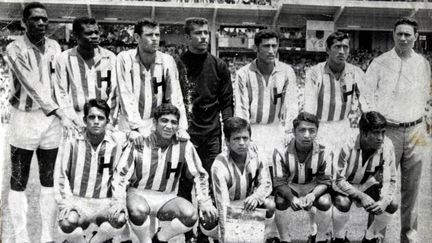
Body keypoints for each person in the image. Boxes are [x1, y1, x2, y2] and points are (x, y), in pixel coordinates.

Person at [4, 2, 76, 242]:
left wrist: (65, 112)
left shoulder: (55, 46)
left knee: (49, 180)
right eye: (35, 19)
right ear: (24, 22)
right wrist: (60, 112)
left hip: (52, 122)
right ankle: (21, 237)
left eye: (45, 19)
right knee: (19, 180)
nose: (42, 23)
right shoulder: (15, 48)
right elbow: (32, 85)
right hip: (24, 120)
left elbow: (60, 84)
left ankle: (47, 236)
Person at [360, 17, 432, 243]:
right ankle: (375, 237)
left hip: (416, 130)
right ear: (393, 35)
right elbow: (366, 95)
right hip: (387, 130)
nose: (403, 38)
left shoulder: (423, 63)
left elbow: (425, 97)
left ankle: (409, 237)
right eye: (399, 34)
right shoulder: (379, 62)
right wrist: (375, 126)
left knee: (412, 190)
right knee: (381, 186)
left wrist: (425, 119)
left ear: (415, 37)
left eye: (407, 34)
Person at [111, 103, 218, 243]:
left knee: (190, 215)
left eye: (174, 122)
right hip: (139, 193)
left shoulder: (184, 145)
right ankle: (146, 241)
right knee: (137, 211)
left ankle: (160, 239)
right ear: (155, 122)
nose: (169, 126)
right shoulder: (140, 142)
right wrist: (118, 201)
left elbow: (200, 175)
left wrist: (205, 202)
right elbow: (121, 175)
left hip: (166, 197)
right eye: (164, 121)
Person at [176, 17, 234, 242]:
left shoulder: (219, 65)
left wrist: (228, 130)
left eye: (206, 33)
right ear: (187, 37)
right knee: (185, 184)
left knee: (210, 185)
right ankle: (187, 234)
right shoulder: (177, 64)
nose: (203, 37)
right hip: (185, 134)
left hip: (211, 134)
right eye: (198, 33)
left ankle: (206, 233)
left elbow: (227, 101)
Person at [54, 99, 127, 243]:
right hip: (78, 200)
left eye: (101, 118)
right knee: (67, 222)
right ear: (84, 120)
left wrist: (119, 202)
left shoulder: (118, 140)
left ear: (107, 121)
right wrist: (67, 203)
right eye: (91, 117)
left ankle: (96, 240)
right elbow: (60, 174)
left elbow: (123, 176)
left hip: (104, 202)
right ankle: (78, 240)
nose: (96, 121)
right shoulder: (72, 139)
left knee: (120, 219)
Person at [201, 117, 275, 241]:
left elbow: (266, 184)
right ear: (227, 141)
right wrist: (226, 238)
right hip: (226, 207)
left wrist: (256, 197)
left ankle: (257, 235)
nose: (242, 143)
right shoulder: (219, 165)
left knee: (270, 204)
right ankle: (220, 238)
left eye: (245, 138)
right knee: (209, 217)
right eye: (236, 138)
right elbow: (222, 205)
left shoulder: (258, 154)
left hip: (248, 204)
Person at [116, 18, 188, 144]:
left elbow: (175, 96)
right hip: (130, 126)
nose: (155, 39)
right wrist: (136, 128)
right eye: (149, 35)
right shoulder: (124, 59)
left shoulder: (167, 60)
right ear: (137, 38)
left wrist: (181, 127)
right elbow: (125, 95)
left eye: (157, 35)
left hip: (155, 126)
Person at [332, 111, 398, 243]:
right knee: (342, 203)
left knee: (392, 204)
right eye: (375, 133)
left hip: (368, 184)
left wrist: (384, 200)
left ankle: (370, 237)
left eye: (383, 132)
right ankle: (339, 238)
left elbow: (390, 179)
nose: (380, 138)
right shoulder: (346, 144)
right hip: (345, 186)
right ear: (363, 132)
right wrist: (361, 196)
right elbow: (337, 180)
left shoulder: (387, 145)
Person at [234, 29, 298, 161]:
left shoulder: (286, 71)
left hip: (277, 130)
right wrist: (245, 136)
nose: (271, 50)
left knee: (278, 173)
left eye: (274, 46)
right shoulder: (243, 73)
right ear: (256, 48)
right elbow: (241, 108)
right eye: (266, 46)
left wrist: (289, 131)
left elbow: (291, 104)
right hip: (253, 130)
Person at [272, 112, 333, 243]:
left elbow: (325, 181)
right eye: (302, 130)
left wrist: (313, 195)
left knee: (325, 201)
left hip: (313, 186)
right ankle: (284, 238)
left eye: (312, 131)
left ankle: (321, 238)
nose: (307, 135)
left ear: (317, 132)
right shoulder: (280, 150)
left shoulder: (325, 151)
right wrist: (292, 198)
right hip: (291, 185)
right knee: (280, 201)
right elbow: (279, 182)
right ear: (294, 132)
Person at [303, 31, 365, 150]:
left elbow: (366, 104)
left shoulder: (356, 72)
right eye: (337, 47)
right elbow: (309, 106)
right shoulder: (314, 72)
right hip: (321, 127)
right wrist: (310, 131)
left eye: (345, 47)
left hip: (343, 127)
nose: (341, 51)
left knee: (342, 166)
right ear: (327, 50)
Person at [55, 17, 118, 129]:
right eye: (89, 33)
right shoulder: (64, 58)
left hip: (102, 118)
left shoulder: (110, 57)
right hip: (75, 118)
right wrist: (73, 120)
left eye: (96, 32)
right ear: (75, 35)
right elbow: (61, 92)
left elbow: (114, 92)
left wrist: (109, 120)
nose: (94, 36)